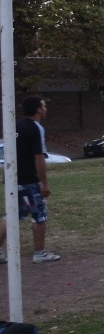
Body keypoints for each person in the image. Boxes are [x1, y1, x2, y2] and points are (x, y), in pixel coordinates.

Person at [0, 96, 61, 265]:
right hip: (28, 179)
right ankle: (40, 253)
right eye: (44, 106)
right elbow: (39, 156)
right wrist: (44, 183)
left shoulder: (15, 126)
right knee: (39, 215)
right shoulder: (36, 128)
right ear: (38, 110)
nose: (46, 108)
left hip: (12, 177)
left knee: (12, 214)